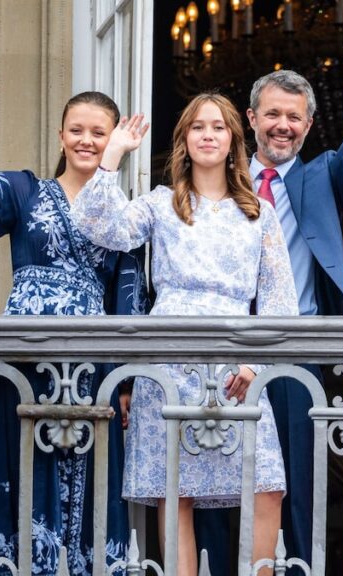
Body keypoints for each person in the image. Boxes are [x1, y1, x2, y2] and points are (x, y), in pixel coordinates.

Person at [0, 54, 145, 574]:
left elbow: (128, 297)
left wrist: (125, 378)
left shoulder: (124, 214)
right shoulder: (26, 191)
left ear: (116, 139)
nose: (86, 140)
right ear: (61, 136)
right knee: (18, 467)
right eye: (77, 130)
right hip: (24, 356)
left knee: (90, 479)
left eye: (99, 133)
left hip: (92, 368)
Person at [70, 93, 298, 576]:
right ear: (184, 140)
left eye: (218, 126)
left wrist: (254, 363)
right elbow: (97, 226)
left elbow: (280, 301)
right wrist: (113, 156)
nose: (208, 135)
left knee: (266, 487)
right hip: (170, 360)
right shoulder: (160, 203)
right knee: (176, 494)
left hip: (237, 365)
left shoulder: (259, 211)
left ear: (233, 139)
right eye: (198, 127)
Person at [238, 6, 343, 568]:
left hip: (295, 347)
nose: (283, 125)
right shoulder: (222, 177)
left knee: (296, 479)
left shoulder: (322, 175)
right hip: (222, 345)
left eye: (294, 117)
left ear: (306, 125)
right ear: (251, 118)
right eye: (273, 114)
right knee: (219, 477)